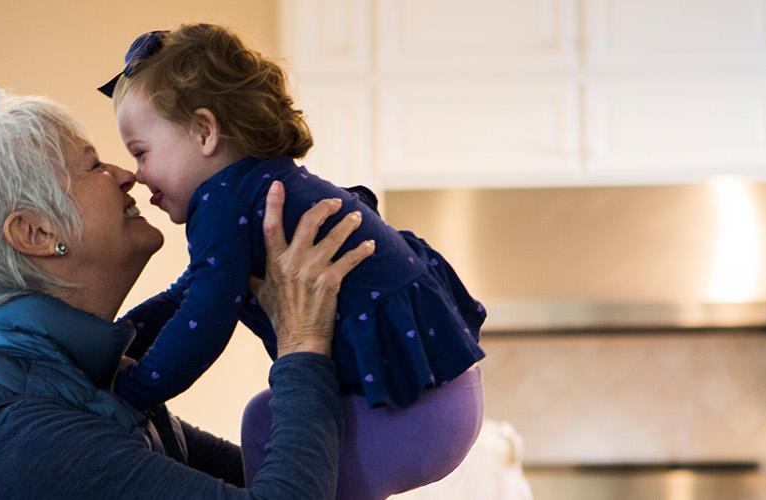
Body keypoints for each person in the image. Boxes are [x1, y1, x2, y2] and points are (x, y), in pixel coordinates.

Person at [0, 87, 374, 499]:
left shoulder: (81, 386)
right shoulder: (26, 432)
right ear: (35, 233)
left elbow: (309, 482)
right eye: (93, 165)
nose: (129, 175)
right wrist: (303, 340)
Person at [100, 24, 487, 499]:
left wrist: (131, 391)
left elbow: (205, 318)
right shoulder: (260, 187)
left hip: (415, 410)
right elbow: (191, 293)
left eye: (141, 153)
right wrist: (124, 338)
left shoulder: (221, 202)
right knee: (266, 415)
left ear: (204, 131)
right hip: (446, 394)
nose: (138, 175)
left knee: (263, 424)